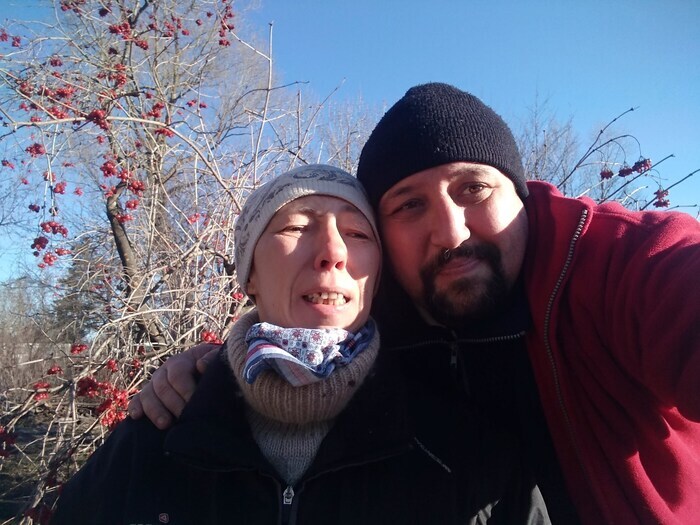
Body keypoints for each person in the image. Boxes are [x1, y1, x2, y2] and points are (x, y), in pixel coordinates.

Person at [131, 84, 700, 524]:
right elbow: (300, 320)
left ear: (521, 194)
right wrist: (213, 371)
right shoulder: (381, 311)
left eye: (473, 189)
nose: (450, 233)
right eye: (408, 205)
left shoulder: (618, 264)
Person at [52, 164, 549, 525]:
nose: (332, 252)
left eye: (357, 234)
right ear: (249, 275)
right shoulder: (154, 439)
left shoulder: (466, 451)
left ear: (376, 278)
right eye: (295, 227)